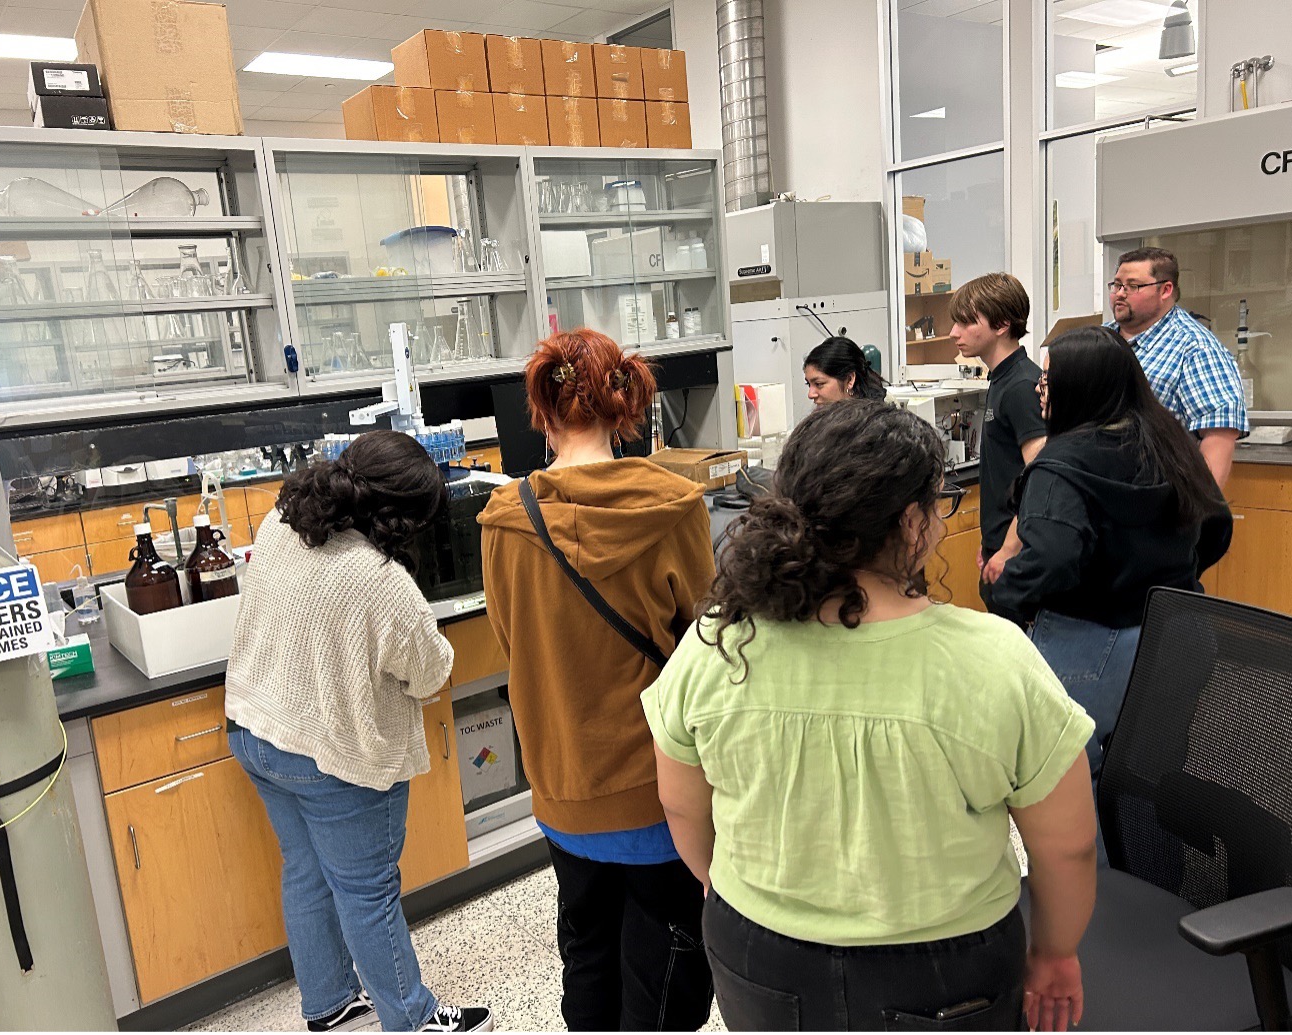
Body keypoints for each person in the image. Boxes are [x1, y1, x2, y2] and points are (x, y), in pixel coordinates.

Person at [643, 401, 1098, 1033]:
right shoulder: (994, 661)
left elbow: (683, 806)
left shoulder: (719, 643)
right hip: (941, 969)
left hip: (758, 950)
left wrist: (728, 887)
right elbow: (1069, 847)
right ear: (913, 523)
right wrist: (1055, 952)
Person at [478, 329, 716, 1032]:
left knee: (585, 949)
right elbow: (703, 643)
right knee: (669, 956)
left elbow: (510, 641)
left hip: (560, 781)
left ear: (541, 410)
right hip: (657, 785)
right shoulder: (673, 505)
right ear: (625, 405)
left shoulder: (502, 519)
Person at [225, 430, 491, 1034]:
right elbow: (431, 673)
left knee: (305, 871)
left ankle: (328, 1001)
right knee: (368, 893)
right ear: (401, 517)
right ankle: (413, 1020)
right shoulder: (378, 580)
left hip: (255, 730)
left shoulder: (281, 522)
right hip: (331, 760)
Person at [987, 327, 1233, 778]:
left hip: (1090, 643)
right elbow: (1216, 525)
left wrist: (1002, 596)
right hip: (1179, 632)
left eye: (1048, 379)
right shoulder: (1170, 441)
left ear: (1082, 385)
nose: (1040, 389)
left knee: (1076, 784)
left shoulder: (1059, 463)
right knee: (1151, 781)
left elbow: (1054, 558)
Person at [1106, 246, 1248, 489]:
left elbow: (1218, 438)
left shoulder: (1196, 349)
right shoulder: (1102, 339)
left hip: (1155, 500)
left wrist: (1198, 513)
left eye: (1133, 286)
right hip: (1100, 493)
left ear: (1165, 290)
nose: (1120, 293)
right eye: (1117, 285)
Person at [947, 273, 1048, 603]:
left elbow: (1041, 480)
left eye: (965, 322)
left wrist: (1007, 548)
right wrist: (992, 540)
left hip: (1019, 556)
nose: (954, 333)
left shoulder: (1021, 386)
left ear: (1002, 324)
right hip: (1003, 545)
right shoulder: (1003, 379)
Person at [803, 336, 887, 406]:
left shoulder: (877, 421)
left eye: (819, 384)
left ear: (850, 380)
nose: (810, 394)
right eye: (809, 384)